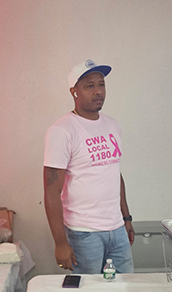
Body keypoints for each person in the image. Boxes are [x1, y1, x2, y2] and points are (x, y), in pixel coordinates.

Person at [43, 59, 134, 275]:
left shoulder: (112, 125)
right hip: (84, 233)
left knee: (125, 288)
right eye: (89, 86)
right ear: (74, 92)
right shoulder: (62, 130)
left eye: (101, 84)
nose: (98, 91)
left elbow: (114, 173)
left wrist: (126, 218)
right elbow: (51, 190)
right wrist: (60, 243)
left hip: (117, 229)